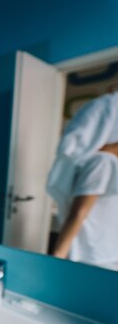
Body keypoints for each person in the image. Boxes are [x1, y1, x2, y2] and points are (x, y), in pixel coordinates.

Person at [47, 92, 118, 269]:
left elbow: (79, 212)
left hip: (91, 253)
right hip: (103, 250)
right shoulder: (107, 162)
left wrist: (57, 257)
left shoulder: (101, 162)